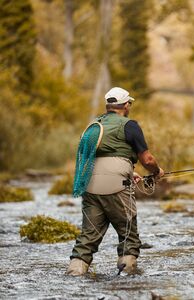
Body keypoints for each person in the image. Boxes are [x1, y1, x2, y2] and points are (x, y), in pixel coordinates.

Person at [66, 87, 164, 276]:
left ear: (108, 105)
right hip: (117, 188)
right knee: (128, 235)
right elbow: (147, 160)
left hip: (89, 186)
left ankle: (74, 275)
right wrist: (157, 171)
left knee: (87, 238)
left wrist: (129, 174)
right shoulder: (129, 125)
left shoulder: (94, 125)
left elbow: (98, 158)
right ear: (126, 105)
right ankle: (126, 278)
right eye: (130, 103)